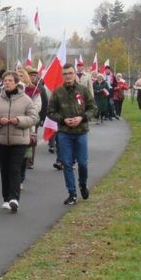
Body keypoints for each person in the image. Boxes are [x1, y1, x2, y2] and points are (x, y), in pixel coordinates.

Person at [0, 71, 40, 213]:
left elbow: (34, 117)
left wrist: (19, 120)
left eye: (10, 80)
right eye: (5, 80)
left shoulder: (26, 99)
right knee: (4, 169)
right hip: (1, 140)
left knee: (15, 168)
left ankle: (14, 198)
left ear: (16, 83)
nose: (7, 83)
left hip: (19, 140)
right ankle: (6, 198)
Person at [48, 64, 97, 206]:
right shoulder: (57, 92)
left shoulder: (83, 90)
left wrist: (82, 117)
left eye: (70, 73)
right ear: (62, 76)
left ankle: (82, 184)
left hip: (81, 132)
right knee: (67, 164)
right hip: (64, 133)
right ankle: (72, 193)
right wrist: (63, 119)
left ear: (75, 74)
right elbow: (50, 112)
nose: (68, 76)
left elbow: (93, 108)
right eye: (65, 74)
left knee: (82, 163)